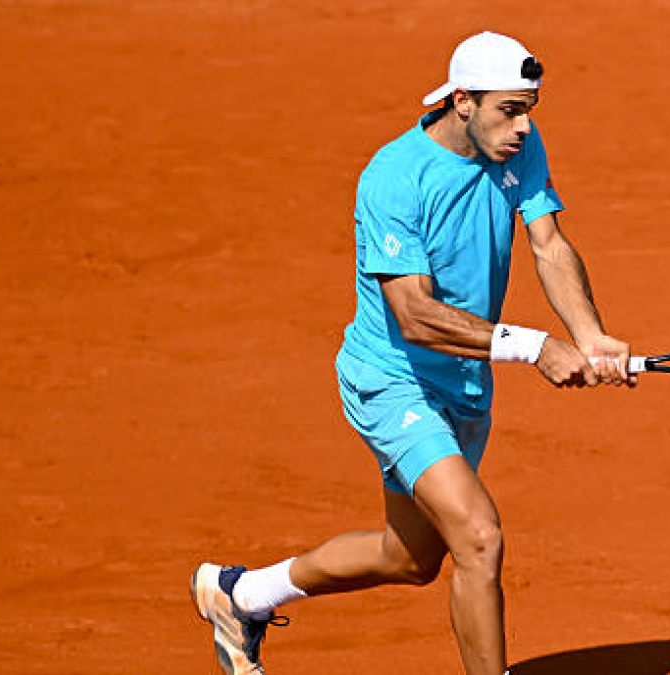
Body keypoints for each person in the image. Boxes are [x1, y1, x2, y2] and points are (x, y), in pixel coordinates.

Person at [191, 31, 635, 675]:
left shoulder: (519, 145)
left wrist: (589, 334)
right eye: (509, 109)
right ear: (462, 101)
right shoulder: (394, 178)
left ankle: (242, 595)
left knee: (410, 557)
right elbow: (415, 315)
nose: (523, 125)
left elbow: (548, 244)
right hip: (393, 381)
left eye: (529, 109)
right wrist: (534, 345)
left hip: (464, 386)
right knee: (479, 538)